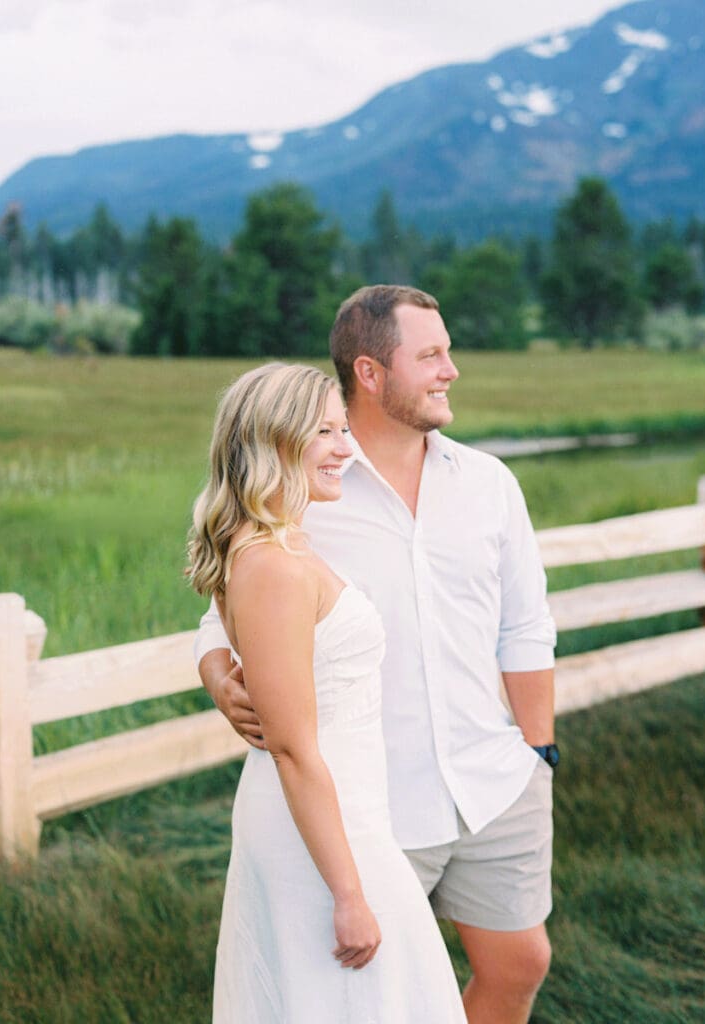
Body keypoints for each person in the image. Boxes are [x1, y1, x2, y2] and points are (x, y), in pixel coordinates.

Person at [196, 286, 558, 1024]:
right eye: (430, 355)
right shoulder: (308, 490)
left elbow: (524, 626)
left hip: (492, 777)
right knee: (378, 994)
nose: (451, 370)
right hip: (372, 796)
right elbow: (230, 604)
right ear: (369, 372)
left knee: (520, 963)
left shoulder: (488, 483)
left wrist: (538, 751)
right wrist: (214, 671)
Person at [188, 362, 467, 1022]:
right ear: (272, 440)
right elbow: (291, 750)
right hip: (313, 826)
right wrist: (346, 892)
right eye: (325, 432)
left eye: (345, 428)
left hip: (345, 810)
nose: (347, 447)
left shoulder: (285, 542)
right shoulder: (272, 565)